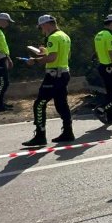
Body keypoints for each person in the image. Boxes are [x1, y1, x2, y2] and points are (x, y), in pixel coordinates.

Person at [22, 15, 74, 147]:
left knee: (39, 104)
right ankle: (68, 132)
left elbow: (52, 58)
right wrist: (43, 52)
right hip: (64, 73)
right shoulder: (64, 36)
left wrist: (35, 60)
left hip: (53, 75)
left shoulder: (52, 37)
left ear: (46, 25)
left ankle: (40, 135)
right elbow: (64, 55)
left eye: (41, 27)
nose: (41, 30)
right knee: (62, 104)